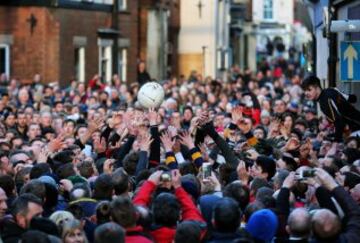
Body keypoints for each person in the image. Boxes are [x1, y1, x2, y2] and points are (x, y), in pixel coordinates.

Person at [302, 75, 360, 141]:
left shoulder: (325, 101)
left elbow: (339, 122)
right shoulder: (331, 90)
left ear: (317, 87)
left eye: (309, 90)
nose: (306, 93)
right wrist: (327, 133)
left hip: (356, 129)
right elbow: (351, 98)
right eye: (305, 90)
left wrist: (336, 141)